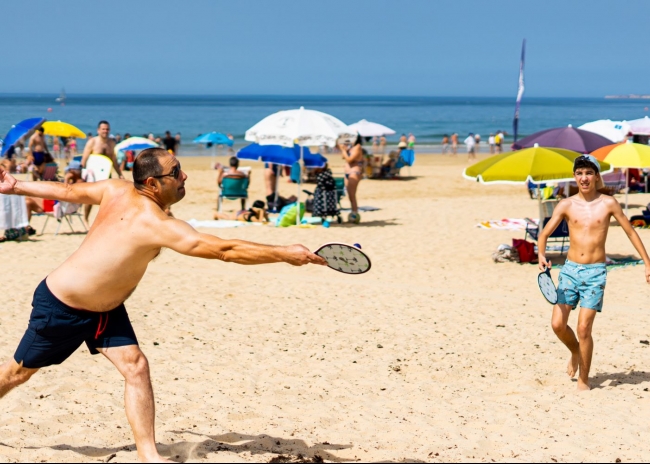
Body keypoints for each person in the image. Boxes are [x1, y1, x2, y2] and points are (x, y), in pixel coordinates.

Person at [0, 148, 326, 462]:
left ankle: (148, 455)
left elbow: (68, 190)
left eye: (180, 167)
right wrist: (283, 253)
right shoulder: (152, 221)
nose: (184, 175)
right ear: (153, 184)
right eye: (175, 172)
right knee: (17, 374)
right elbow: (223, 249)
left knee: (136, 366)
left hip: (106, 309)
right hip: (63, 307)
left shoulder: (119, 190)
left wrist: (16, 184)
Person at [538, 155, 650, 391]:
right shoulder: (566, 205)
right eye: (579, 173)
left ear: (597, 176)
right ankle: (576, 351)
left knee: (583, 328)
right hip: (569, 271)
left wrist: (647, 263)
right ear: (574, 176)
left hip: (595, 273)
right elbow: (544, 234)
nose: (584, 178)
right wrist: (540, 255)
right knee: (558, 324)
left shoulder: (608, 203)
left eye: (588, 173)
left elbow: (631, 232)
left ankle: (584, 380)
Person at [81, 121, 125, 225]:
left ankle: (104, 222)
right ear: (98, 130)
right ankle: (86, 218)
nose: (105, 131)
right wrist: (82, 172)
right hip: (93, 174)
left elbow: (113, 160)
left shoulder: (111, 143)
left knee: (108, 199)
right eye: (103, 129)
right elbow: (84, 158)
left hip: (106, 175)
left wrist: (120, 173)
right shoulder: (92, 142)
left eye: (107, 129)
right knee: (90, 199)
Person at [338, 135, 364, 221]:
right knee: (349, 195)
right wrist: (344, 149)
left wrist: (343, 149)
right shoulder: (350, 147)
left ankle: (354, 213)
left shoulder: (357, 147)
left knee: (352, 195)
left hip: (354, 172)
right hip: (348, 172)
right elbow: (343, 157)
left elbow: (350, 160)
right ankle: (353, 212)